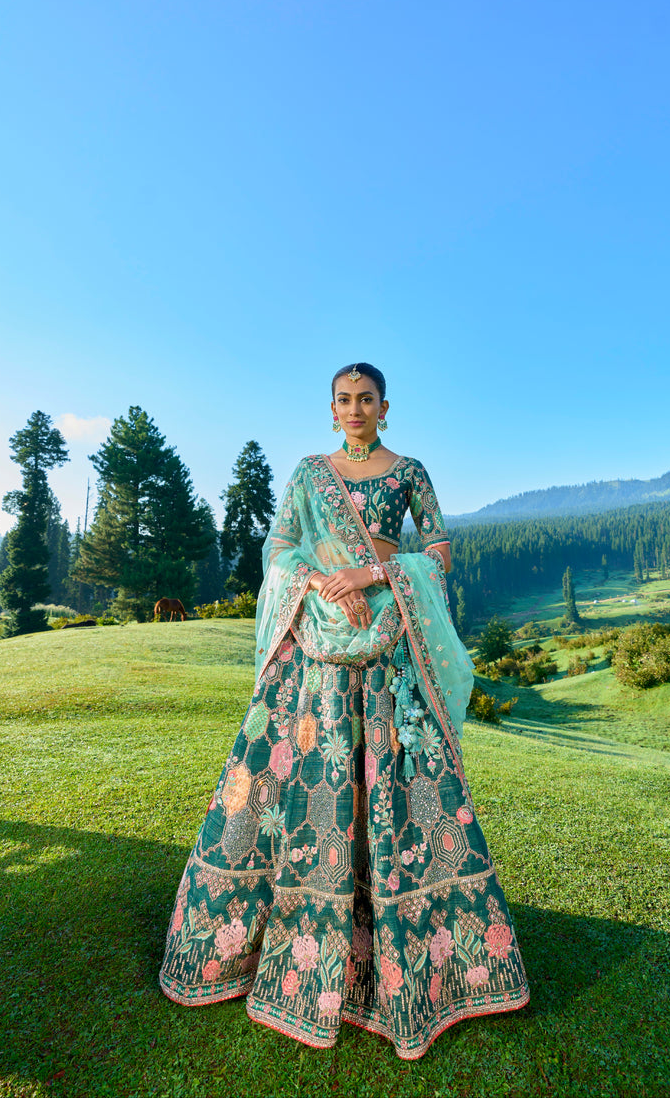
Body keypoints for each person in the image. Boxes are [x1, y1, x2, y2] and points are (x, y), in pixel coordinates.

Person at [159, 362, 530, 1059]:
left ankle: (412, 957)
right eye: (344, 400)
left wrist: (372, 573)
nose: (354, 409)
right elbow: (277, 549)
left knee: (395, 781)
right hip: (319, 645)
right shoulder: (308, 474)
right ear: (331, 409)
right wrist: (323, 584)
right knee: (306, 779)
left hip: (389, 637)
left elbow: (439, 553)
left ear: (385, 407)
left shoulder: (410, 472)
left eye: (366, 399)